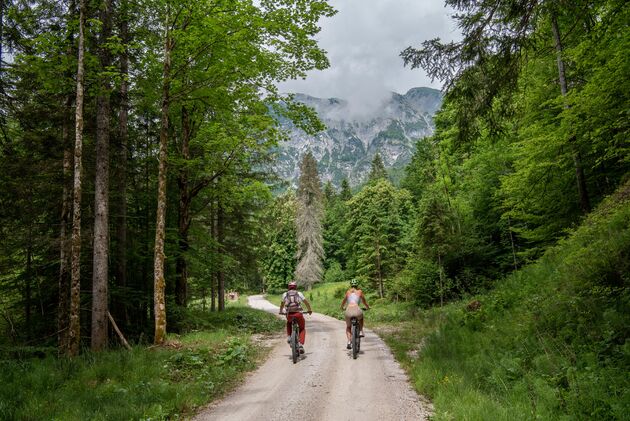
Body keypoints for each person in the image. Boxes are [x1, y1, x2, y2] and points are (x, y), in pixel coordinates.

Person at [279, 281, 312, 354]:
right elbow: (306, 302)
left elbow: (282, 304)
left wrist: (281, 311)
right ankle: (300, 344)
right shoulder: (299, 293)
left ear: (288, 287)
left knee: (288, 323)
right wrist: (309, 310)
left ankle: (289, 337)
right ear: (296, 287)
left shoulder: (285, 294)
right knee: (302, 328)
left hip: (289, 315)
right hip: (298, 314)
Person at [340, 279, 370, 350]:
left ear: (351, 285)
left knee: (348, 327)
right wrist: (368, 307)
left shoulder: (347, 292)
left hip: (348, 311)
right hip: (357, 309)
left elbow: (343, 302)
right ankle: (360, 331)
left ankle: (349, 341)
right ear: (357, 285)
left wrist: (341, 308)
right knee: (361, 317)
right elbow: (364, 302)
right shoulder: (360, 291)